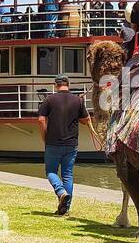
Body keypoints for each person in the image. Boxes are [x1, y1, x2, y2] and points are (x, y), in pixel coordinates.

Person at [37, 75, 98, 215]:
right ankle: (65, 210)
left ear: (55, 85)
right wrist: (79, 106)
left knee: (51, 172)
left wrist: (44, 137)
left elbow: (41, 120)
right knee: (67, 175)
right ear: (68, 84)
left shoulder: (49, 99)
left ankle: (60, 191)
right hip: (71, 144)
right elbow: (85, 120)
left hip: (53, 142)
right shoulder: (77, 100)